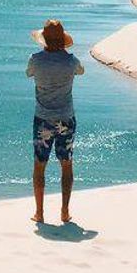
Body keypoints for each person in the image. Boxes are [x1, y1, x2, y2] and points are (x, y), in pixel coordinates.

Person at [26, 18, 84, 224]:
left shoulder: (36, 60)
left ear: (45, 41)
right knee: (66, 164)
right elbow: (81, 70)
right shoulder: (71, 62)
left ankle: (40, 213)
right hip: (66, 118)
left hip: (43, 118)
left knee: (39, 165)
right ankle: (64, 212)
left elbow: (28, 73)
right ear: (62, 41)